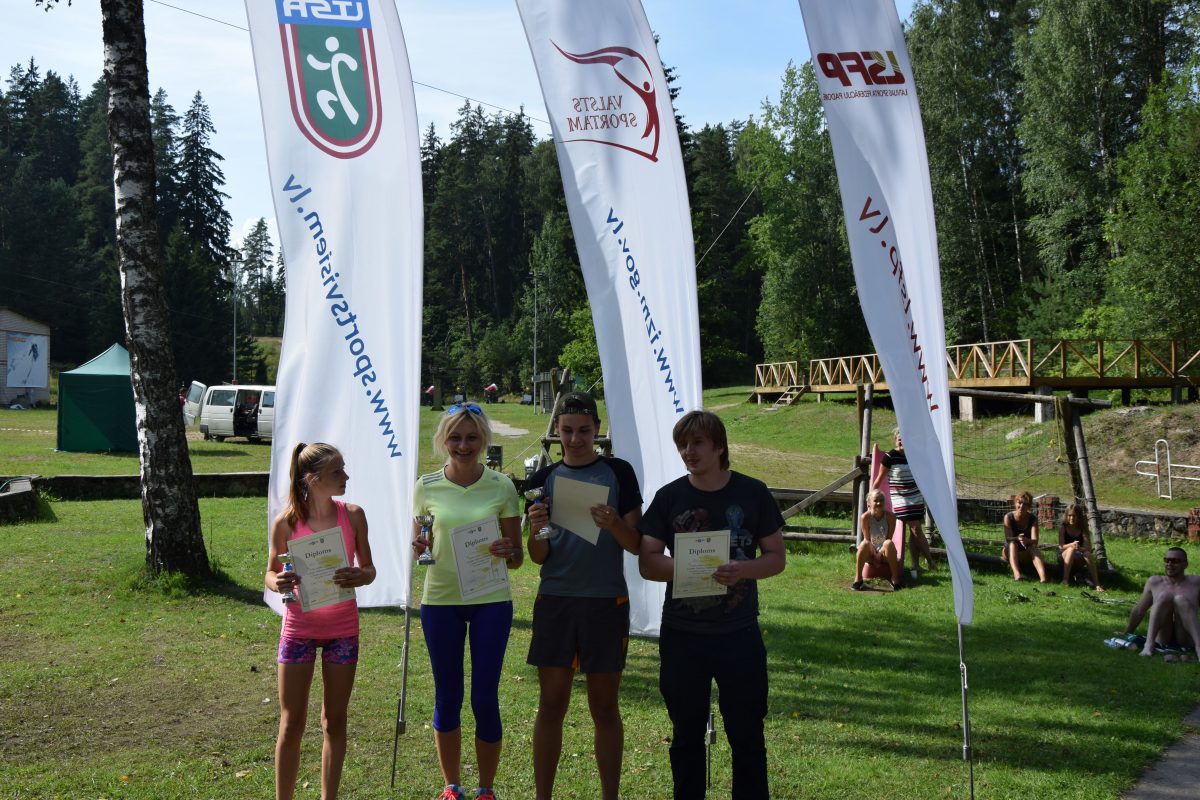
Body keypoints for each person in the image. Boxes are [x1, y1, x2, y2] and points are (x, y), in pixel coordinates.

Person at [639, 410, 786, 799]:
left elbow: (776, 558)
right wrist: (689, 567)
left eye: (697, 443)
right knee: (686, 737)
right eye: (682, 444)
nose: (688, 451)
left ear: (719, 447)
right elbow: (647, 562)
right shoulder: (669, 497)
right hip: (683, 637)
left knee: (747, 736)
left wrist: (743, 570)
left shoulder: (753, 492)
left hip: (739, 636)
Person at [524, 392, 643, 800]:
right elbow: (538, 556)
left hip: (606, 601)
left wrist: (613, 524)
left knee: (604, 707)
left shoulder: (618, 473)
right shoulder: (543, 480)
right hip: (556, 599)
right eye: (567, 431)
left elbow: (636, 544)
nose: (575, 439)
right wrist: (536, 528)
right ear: (557, 430)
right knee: (551, 704)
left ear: (597, 430)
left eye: (584, 431)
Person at [412, 403, 524, 800]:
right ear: (443, 440)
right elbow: (421, 545)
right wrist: (418, 547)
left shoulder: (501, 486)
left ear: (484, 440)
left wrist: (507, 549)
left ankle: (486, 789)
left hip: (490, 600)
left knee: (484, 698)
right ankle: (452, 786)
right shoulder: (426, 486)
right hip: (440, 601)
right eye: (455, 437)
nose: (463, 445)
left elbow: (517, 558)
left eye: (472, 437)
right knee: (448, 696)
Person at [266, 442, 376, 800]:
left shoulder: (353, 516)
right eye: (337, 471)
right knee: (291, 723)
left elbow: (369, 569)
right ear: (313, 479)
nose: (346, 477)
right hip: (298, 630)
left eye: (343, 468)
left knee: (334, 721)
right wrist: (278, 582)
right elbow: (270, 572)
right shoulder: (286, 523)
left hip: (342, 630)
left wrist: (360, 576)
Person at [872, 431, 936, 573]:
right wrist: (871, 498)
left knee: (914, 530)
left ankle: (915, 564)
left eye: (904, 439)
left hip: (915, 496)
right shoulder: (890, 457)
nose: (901, 442)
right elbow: (879, 479)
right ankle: (931, 561)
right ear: (895, 440)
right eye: (899, 439)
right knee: (916, 528)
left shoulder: (914, 456)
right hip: (900, 498)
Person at [1124, 547, 1200, 662]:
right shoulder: (1155, 582)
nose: (1169, 564)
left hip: (1185, 635)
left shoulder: (1196, 582)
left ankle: (1199, 647)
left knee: (1181, 600)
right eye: (1166, 560)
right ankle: (1148, 645)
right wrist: (1127, 632)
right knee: (1164, 596)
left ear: (1185, 564)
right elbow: (1139, 610)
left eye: (1174, 561)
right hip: (1163, 635)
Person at [853, 489, 902, 591]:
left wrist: (879, 554)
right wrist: (874, 554)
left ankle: (895, 578)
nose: (879, 503)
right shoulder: (865, 517)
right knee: (864, 544)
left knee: (888, 543)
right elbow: (867, 539)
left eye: (881, 500)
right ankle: (858, 579)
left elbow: (889, 538)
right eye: (876, 501)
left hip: (884, 552)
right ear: (869, 503)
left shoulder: (891, 517)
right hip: (871, 552)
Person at [1057, 503, 1104, 590]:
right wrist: (1071, 545)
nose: (1071, 518)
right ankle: (1065, 580)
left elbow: (1088, 548)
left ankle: (1097, 584)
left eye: (1074, 516)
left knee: (1088, 554)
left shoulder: (1083, 529)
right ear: (1066, 516)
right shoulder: (1063, 528)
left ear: (1078, 516)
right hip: (1064, 555)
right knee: (1070, 550)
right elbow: (1061, 546)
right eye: (1069, 515)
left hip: (1078, 555)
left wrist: (1079, 548)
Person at [1003, 491, 1048, 582]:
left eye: (1025, 504)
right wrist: (1017, 538)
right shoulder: (1008, 517)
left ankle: (1043, 578)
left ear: (1029, 506)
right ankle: (1017, 575)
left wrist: (1026, 540)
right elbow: (1008, 538)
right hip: (1009, 551)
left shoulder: (1033, 519)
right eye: (1019, 503)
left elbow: (1035, 540)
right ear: (1015, 503)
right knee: (1012, 544)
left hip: (1025, 552)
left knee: (1033, 548)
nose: (1021, 506)